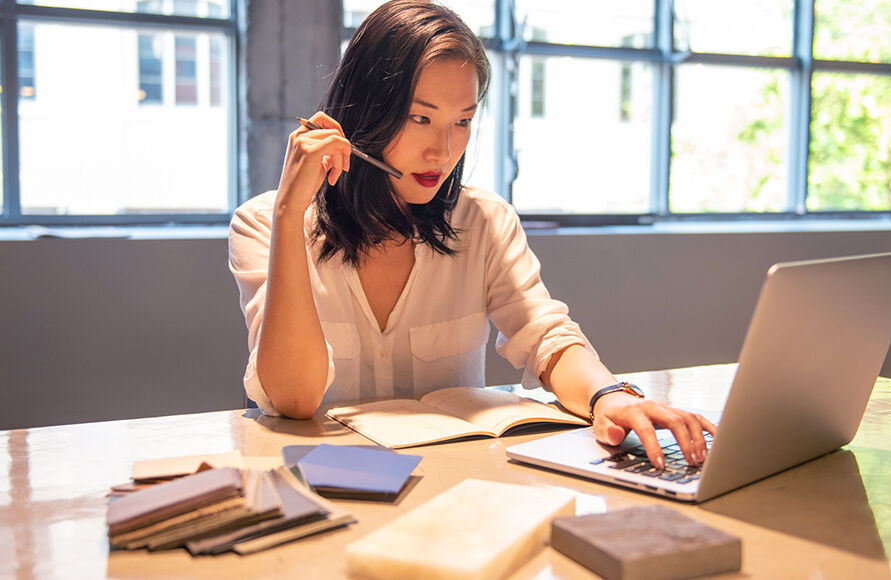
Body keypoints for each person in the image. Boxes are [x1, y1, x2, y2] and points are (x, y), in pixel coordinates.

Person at [229, 0, 715, 470]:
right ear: (364, 113)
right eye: (421, 118)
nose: (443, 150)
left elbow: (544, 332)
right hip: (326, 494)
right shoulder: (263, 224)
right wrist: (291, 212)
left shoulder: (483, 221)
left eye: (462, 121)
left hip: (456, 492)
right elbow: (293, 399)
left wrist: (607, 394)